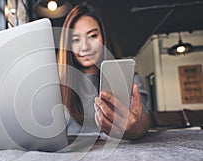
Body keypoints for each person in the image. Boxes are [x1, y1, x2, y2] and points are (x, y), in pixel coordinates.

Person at [57, 3, 150, 140]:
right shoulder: (58, 82)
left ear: (104, 38)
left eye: (92, 36)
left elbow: (144, 118)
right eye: (75, 39)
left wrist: (136, 127)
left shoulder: (127, 77)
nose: (85, 47)